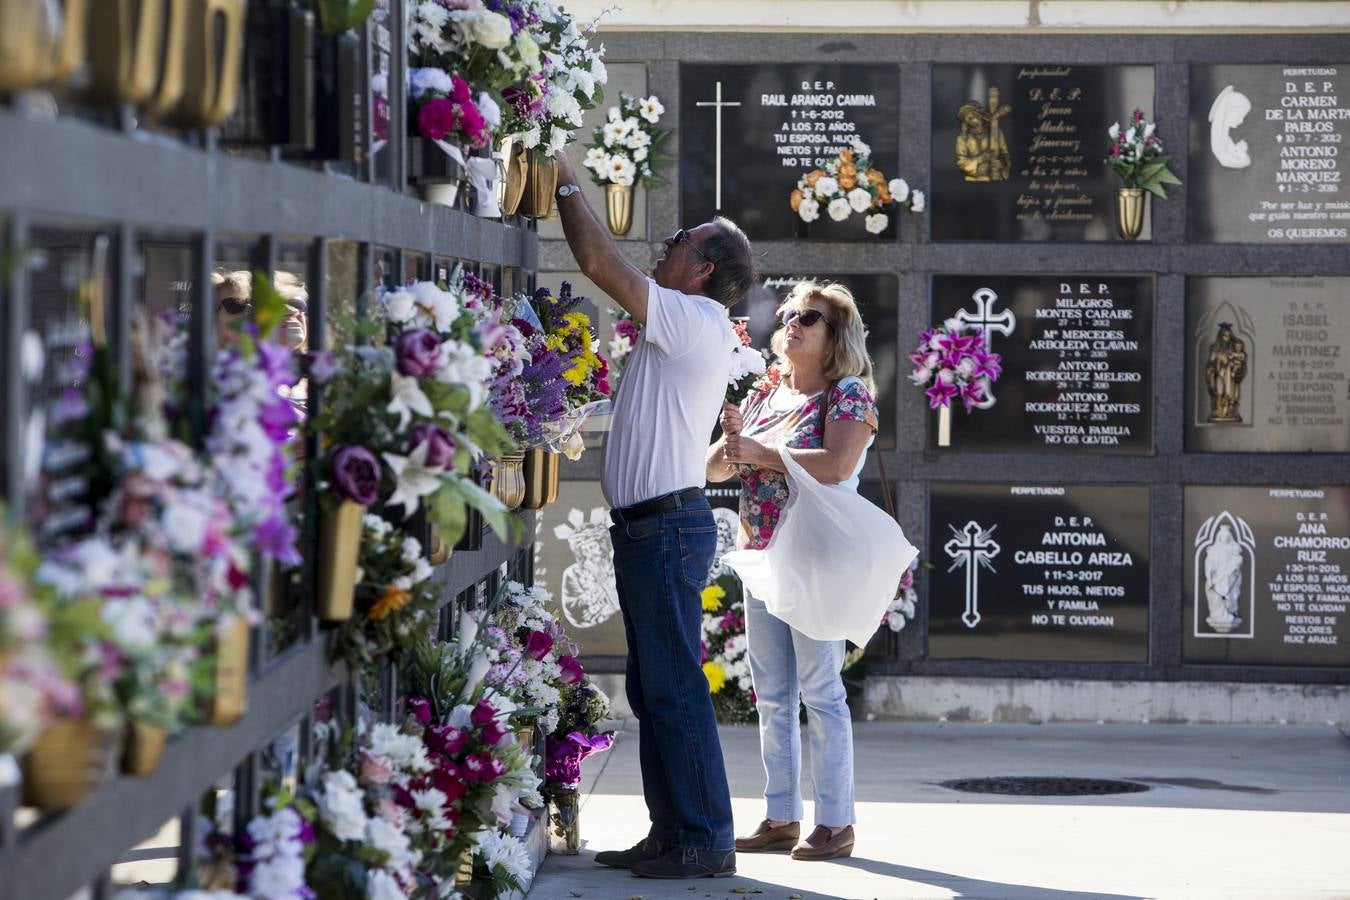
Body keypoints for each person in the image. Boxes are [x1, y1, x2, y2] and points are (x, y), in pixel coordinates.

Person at [551, 150, 756, 879]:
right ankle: (672, 831)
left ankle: (706, 837)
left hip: (665, 528)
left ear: (703, 269)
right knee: (654, 686)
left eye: (678, 240)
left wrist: (566, 176)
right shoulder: (690, 320)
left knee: (672, 685)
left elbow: (601, 263)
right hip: (654, 526)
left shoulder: (698, 317)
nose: (664, 243)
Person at [706, 280, 879, 862]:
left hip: (815, 558)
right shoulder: (766, 391)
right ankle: (781, 815)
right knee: (773, 696)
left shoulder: (848, 393)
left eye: (813, 317)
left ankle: (836, 823)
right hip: (762, 558)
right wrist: (730, 434)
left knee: (821, 691)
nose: (796, 323)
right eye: (791, 315)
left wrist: (762, 452)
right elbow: (717, 467)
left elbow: (835, 466)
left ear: (836, 336)